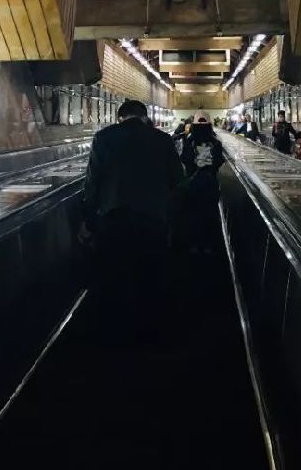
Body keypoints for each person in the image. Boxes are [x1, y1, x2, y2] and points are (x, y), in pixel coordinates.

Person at [80, 99, 184, 344]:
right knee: (151, 277)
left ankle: (117, 334)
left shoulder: (103, 138)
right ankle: (149, 333)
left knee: (116, 277)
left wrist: (88, 220)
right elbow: (177, 178)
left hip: (114, 219)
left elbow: (92, 181)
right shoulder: (162, 139)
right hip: (153, 219)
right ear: (144, 117)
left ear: (120, 117)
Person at [179, 111, 225, 252]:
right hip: (210, 182)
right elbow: (219, 160)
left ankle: (194, 244)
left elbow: (185, 158)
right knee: (210, 213)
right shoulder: (215, 142)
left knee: (193, 212)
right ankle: (209, 245)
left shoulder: (189, 141)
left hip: (193, 182)